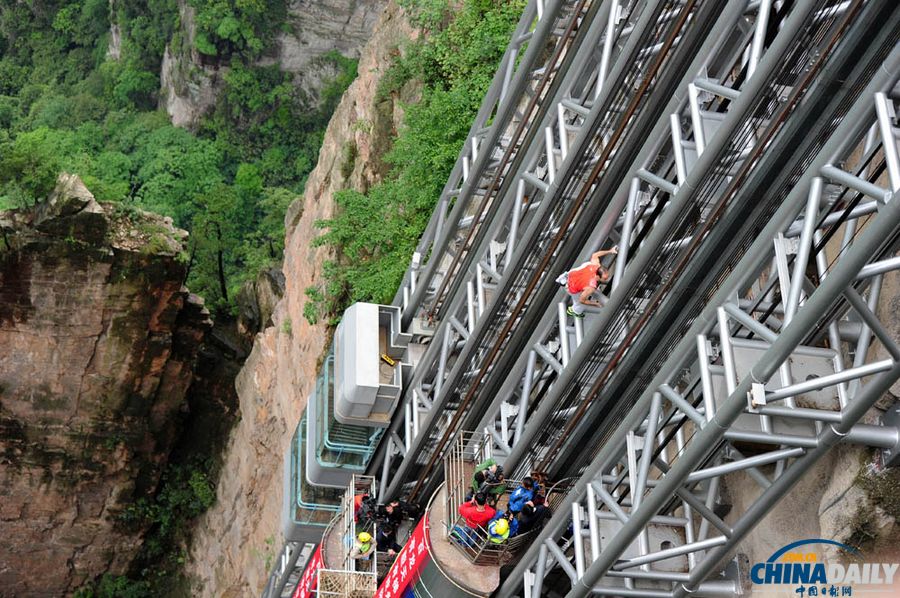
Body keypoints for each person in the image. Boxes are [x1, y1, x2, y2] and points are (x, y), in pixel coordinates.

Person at [562, 247, 618, 318]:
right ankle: (573, 311)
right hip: (570, 287)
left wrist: (610, 251)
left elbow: (595, 255)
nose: (607, 279)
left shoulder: (595, 265)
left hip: (571, 275)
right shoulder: (590, 287)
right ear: (598, 277)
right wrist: (595, 303)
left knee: (586, 264)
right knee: (579, 304)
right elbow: (582, 300)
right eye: (604, 278)